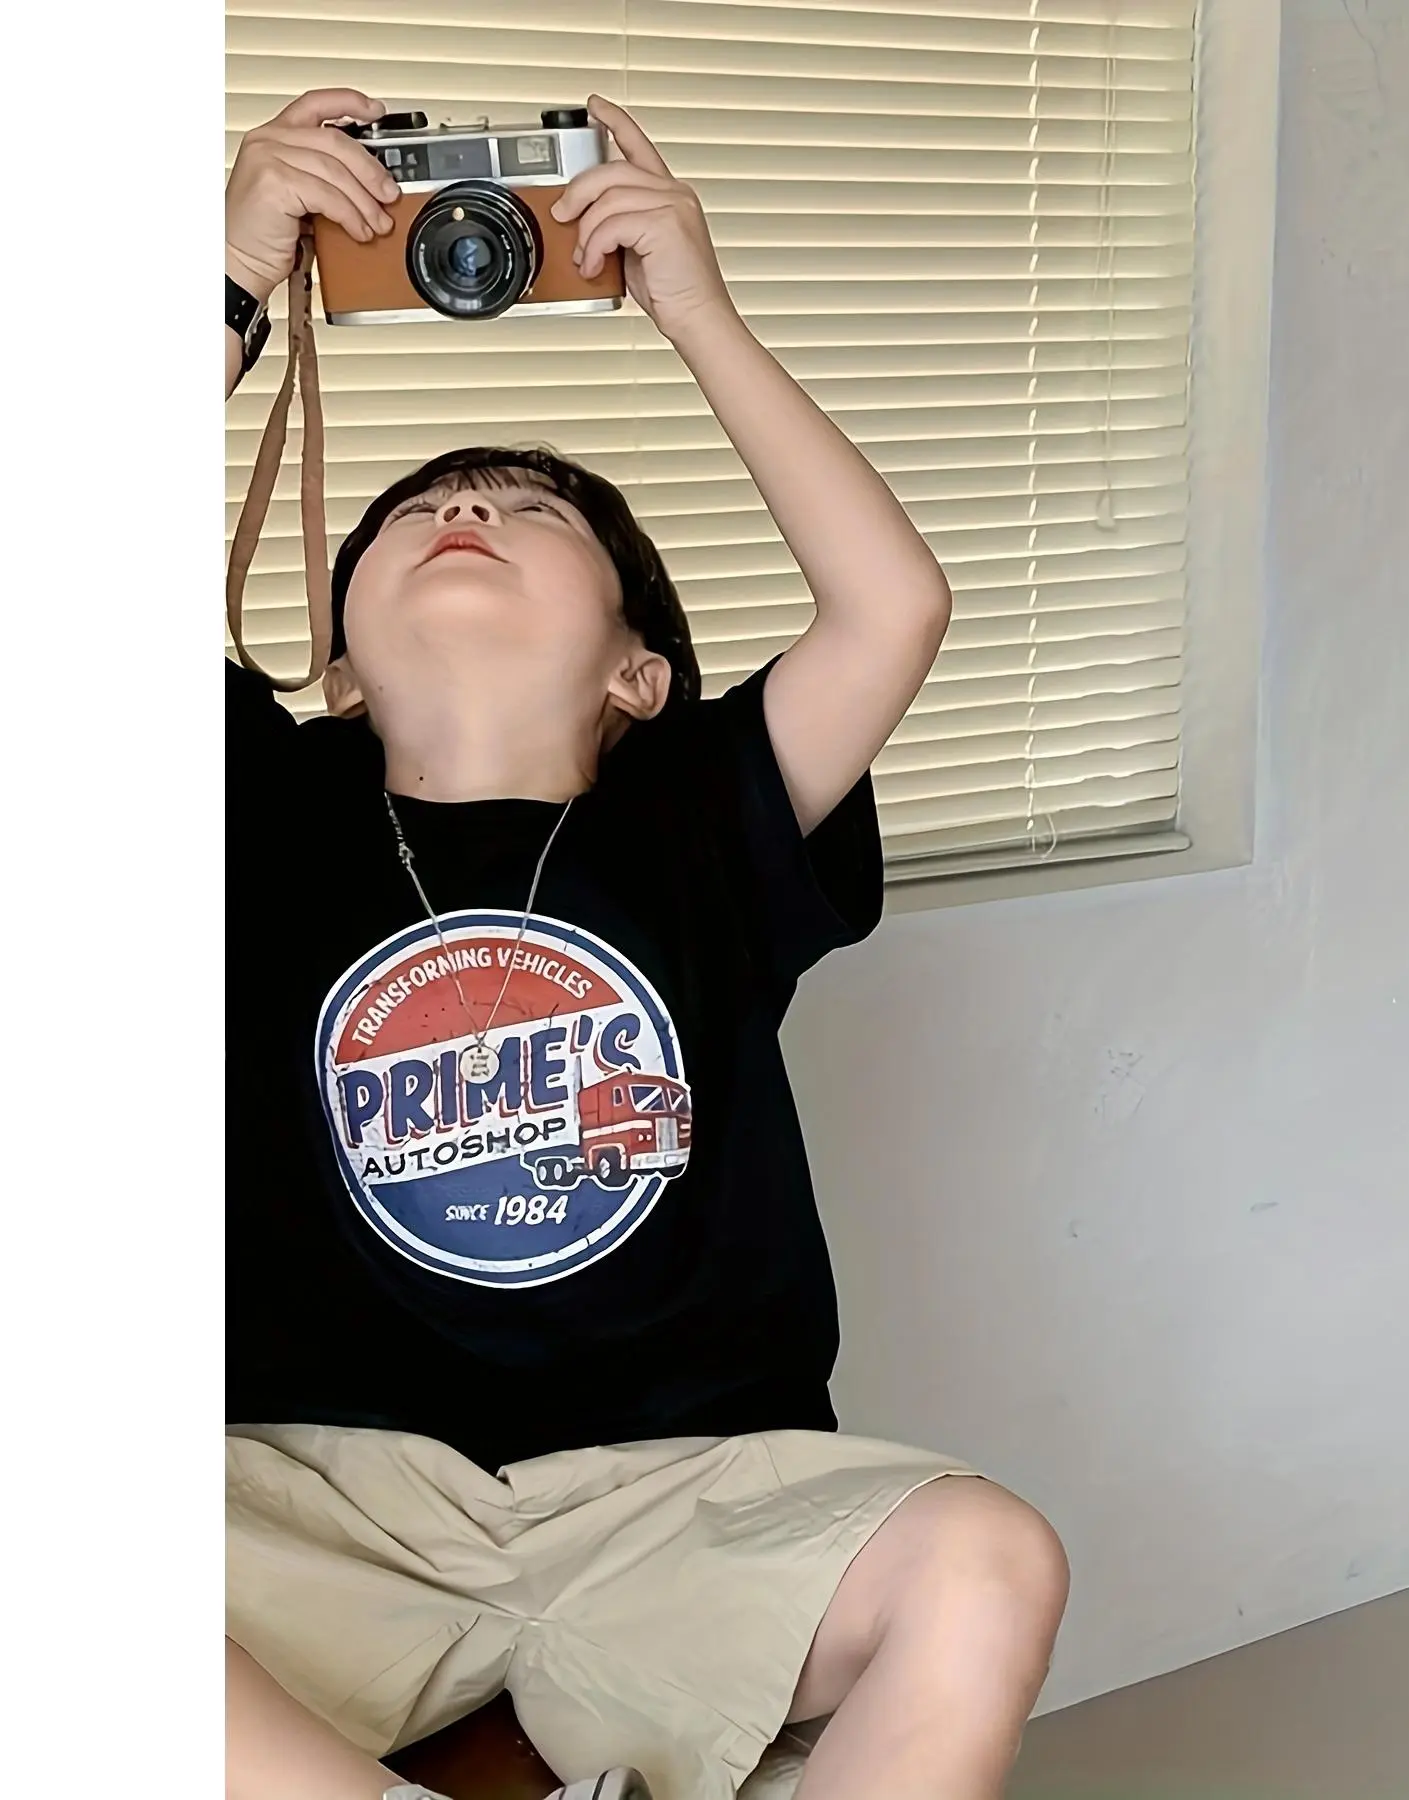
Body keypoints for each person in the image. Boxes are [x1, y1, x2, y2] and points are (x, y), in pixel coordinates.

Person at [223, 89, 1068, 1800]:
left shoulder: (709, 810)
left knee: (990, 1563)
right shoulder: (253, 799)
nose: (466, 508)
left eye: (535, 510)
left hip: (681, 1490)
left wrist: (696, 308)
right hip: (312, 1488)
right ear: (342, 668)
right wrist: (225, 284)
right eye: (416, 509)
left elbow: (894, 604)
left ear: (639, 672)